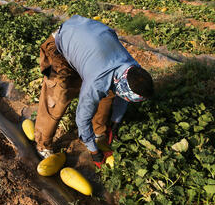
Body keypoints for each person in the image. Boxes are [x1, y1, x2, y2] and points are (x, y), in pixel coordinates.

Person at [34, 15, 154, 168]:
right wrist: (93, 151)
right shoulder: (98, 82)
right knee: (58, 97)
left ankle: (99, 131)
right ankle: (43, 144)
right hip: (59, 46)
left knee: (110, 93)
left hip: (90, 42)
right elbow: (82, 118)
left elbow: (124, 97)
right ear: (121, 82)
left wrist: (116, 121)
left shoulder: (132, 68)